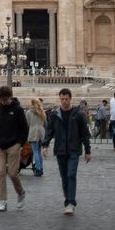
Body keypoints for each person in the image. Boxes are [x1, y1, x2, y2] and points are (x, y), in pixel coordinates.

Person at [41, 87, 92, 216]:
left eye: (66, 99)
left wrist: (87, 150)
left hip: (74, 149)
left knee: (71, 175)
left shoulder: (78, 114)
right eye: (62, 99)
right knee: (64, 177)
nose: (64, 101)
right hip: (60, 150)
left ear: (70, 99)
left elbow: (84, 133)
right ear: (60, 99)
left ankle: (71, 203)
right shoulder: (55, 114)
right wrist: (45, 145)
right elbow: (50, 131)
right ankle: (67, 200)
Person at [0, 85, 28, 212]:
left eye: (5, 99)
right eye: (1, 100)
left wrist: (20, 143)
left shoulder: (18, 110)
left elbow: (24, 128)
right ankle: (2, 200)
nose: (3, 102)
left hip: (13, 145)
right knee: (1, 172)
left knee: (12, 173)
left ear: (10, 97)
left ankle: (20, 192)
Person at [26, 98, 47, 177]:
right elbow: (45, 122)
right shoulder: (42, 111)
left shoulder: (28, 112)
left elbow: (28, 123)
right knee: (39, 151)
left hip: (33, 131)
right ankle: (41, 168)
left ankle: (38, 169)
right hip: (41, 131)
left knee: (35, 152)